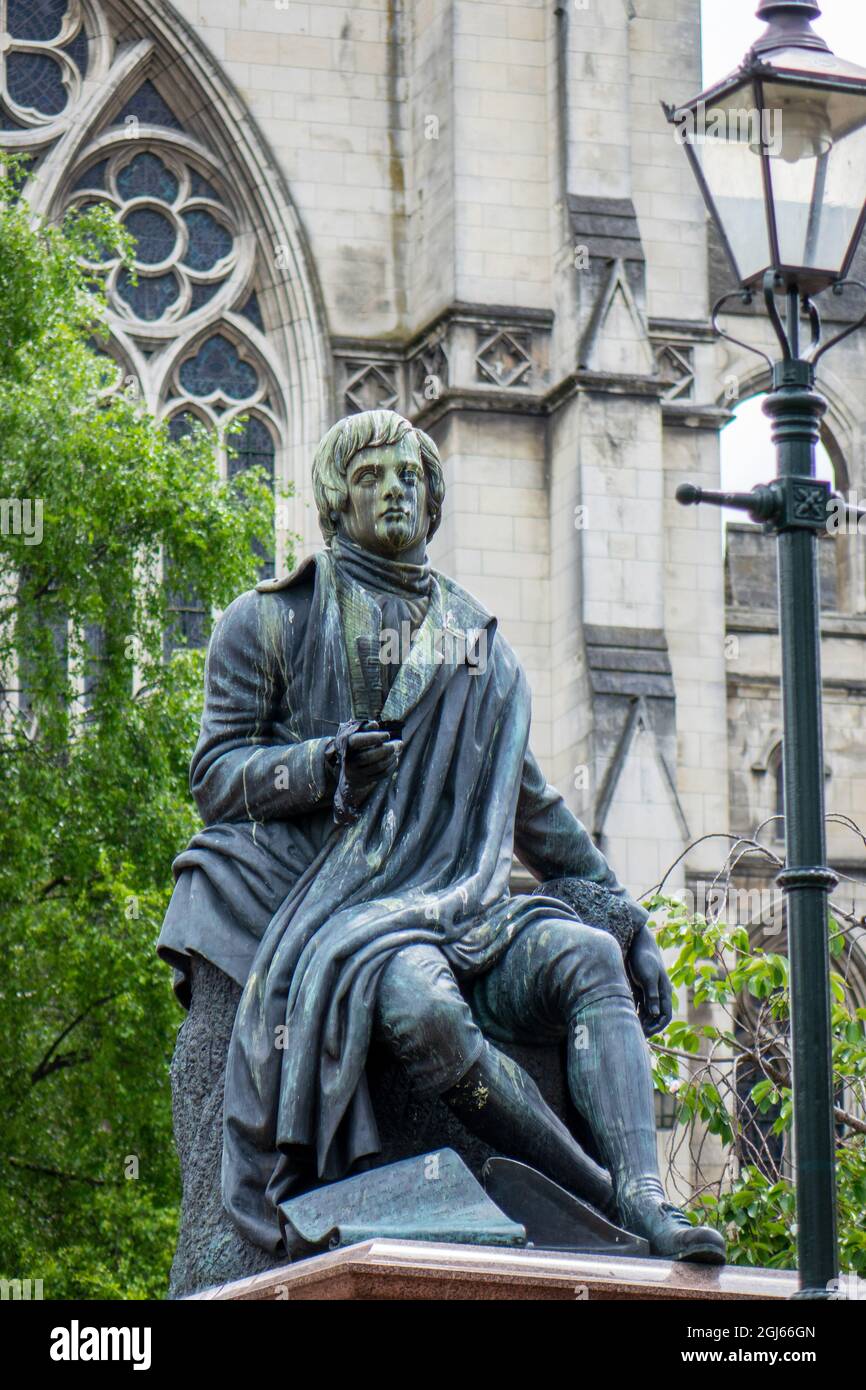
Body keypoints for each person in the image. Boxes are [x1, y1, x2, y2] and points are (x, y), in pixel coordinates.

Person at [158, 408, 725, 1264]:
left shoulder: (479, 648)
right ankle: (595, 1195)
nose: (393, 491)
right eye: (370, 478)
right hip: (350, 915)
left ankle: (645, 1197)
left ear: (431, 506)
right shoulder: (271, 623)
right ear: (334, 503)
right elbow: (216, 775)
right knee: (423, 1008)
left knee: (588, 958)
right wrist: (320, 767)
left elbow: (534, 807)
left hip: (465, 908)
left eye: (409, 479)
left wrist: (624, 916)